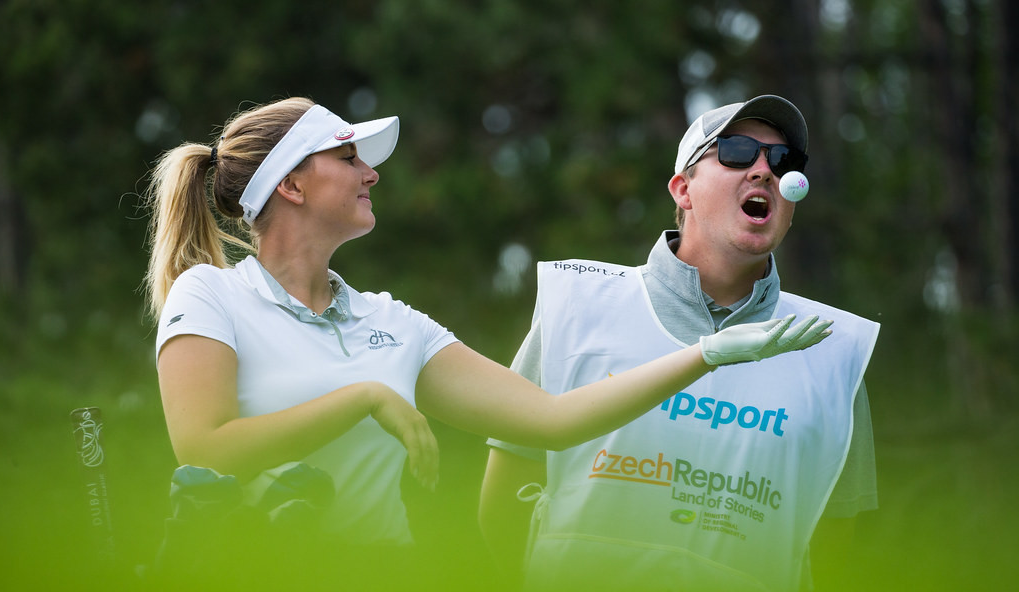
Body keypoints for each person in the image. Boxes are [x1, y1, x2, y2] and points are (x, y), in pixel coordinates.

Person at [143, 95, 831, 553]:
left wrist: (705, 353)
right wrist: (363, 397)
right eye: (349, 158)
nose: (371, 175)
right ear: (290, 185)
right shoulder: (210, 295)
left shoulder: (394, 324)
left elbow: (554, 419)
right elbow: (204, 447)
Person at [480, 95, 880, 592]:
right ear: (683, 189)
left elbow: (832, 557)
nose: (763, 170)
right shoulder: (579, 303)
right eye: (736, 152)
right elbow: (501, 503)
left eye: (782, 162)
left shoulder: (834, 347)